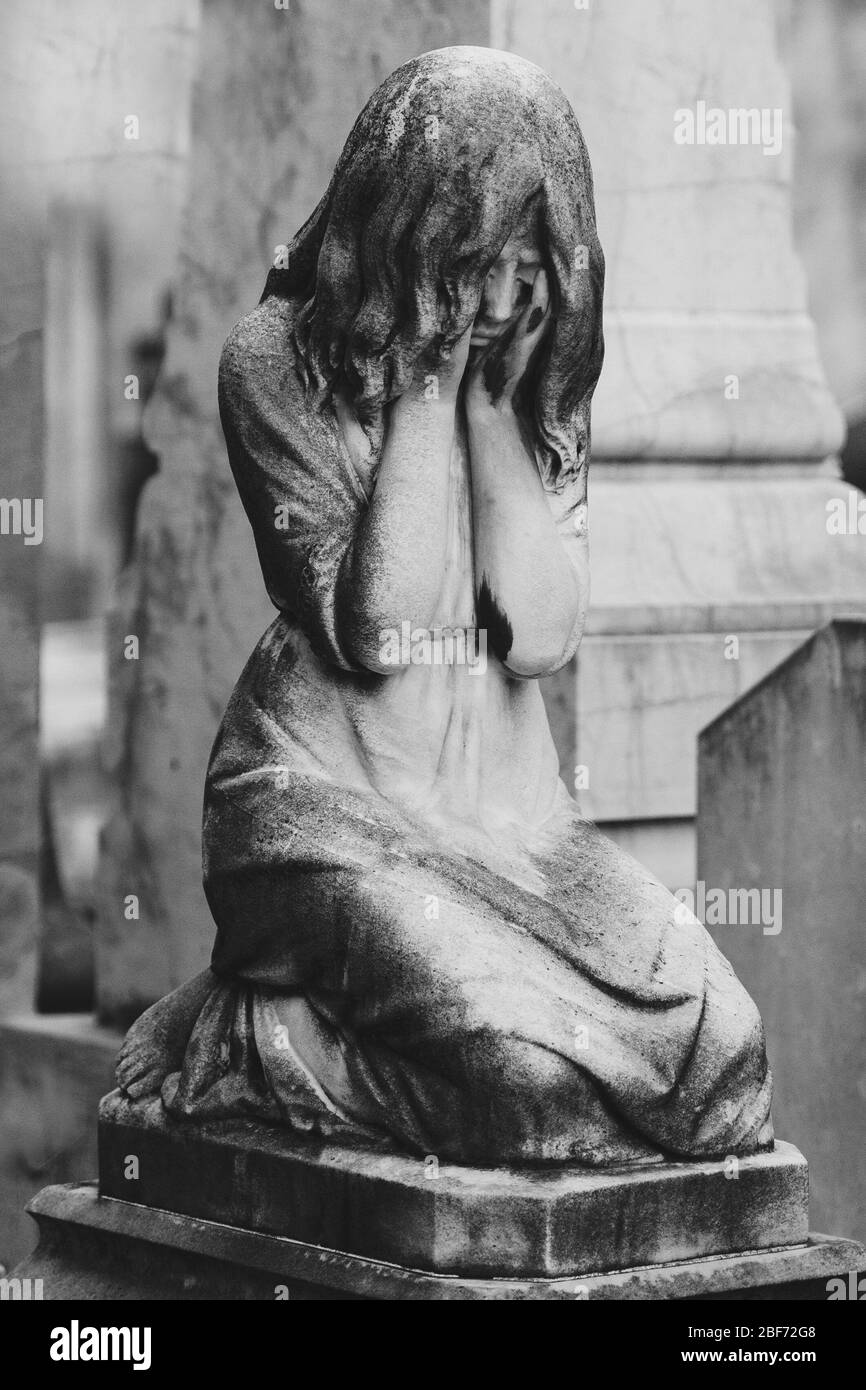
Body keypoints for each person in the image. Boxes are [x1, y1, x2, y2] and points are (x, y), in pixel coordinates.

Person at [117, 47, 773, 1167]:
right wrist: (425, 380)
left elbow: (540, 635)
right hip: (326, 812)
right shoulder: (273, 367)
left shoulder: (533, 384)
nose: (512, 297)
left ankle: (328, 1018)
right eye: (483, 263)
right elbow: (380, 626)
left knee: (724, 1066)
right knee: (529, 1096)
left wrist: (487, 410)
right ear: (410, 239)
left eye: (533, 266)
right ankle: (257, 1039)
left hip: (514, 829)